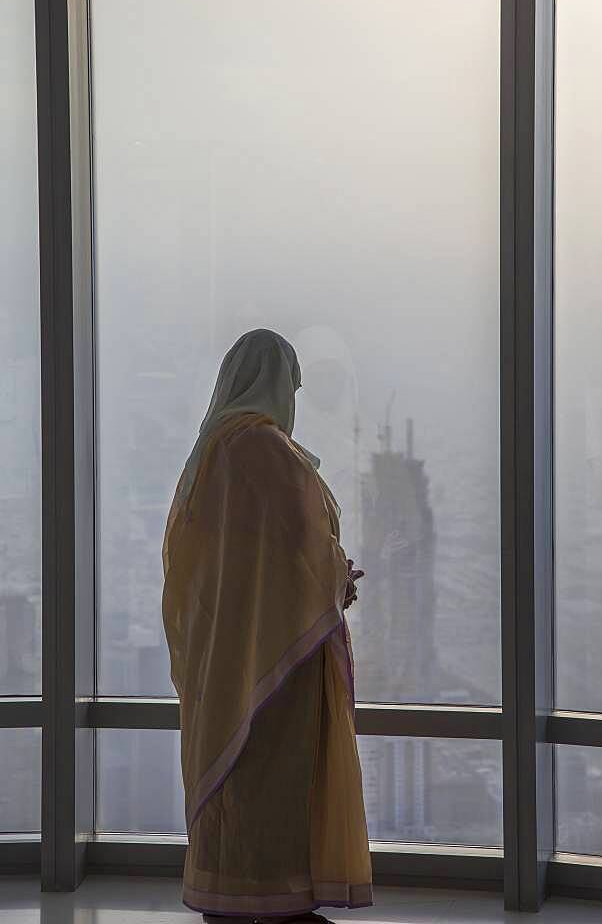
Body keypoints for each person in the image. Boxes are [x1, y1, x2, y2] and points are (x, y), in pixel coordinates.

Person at [162, 328, 373, 923]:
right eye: (293, 386)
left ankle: (228, 888)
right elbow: (303, 534)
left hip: (229, 644)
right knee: (271, 776)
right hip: (274, 650)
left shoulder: (213, 452)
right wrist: (337, 579)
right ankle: (270, 893)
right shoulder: (261, 447)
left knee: (235, 770)